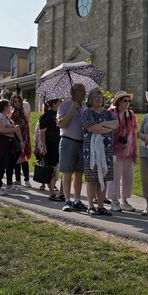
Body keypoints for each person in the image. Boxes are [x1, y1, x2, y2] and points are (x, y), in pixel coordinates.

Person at [80, 87, 118, 216]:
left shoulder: (108, 113)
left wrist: (101, 127)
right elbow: (92, 128)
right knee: (92, 178)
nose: (98, 99)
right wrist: (107, 126)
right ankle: (91, 206)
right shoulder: (86, 113)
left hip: (106, 150)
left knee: (105, 177)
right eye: (95, 97)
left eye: (100, 97)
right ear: (90, 100)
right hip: (90, 150)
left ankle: (101, 206)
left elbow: (116, 124)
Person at [58, 83, 89, 212]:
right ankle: (67, 200)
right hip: (68, 141)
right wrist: (71, 108)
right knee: (67, 172)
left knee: (79, 173)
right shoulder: (64, 105)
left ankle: (77, 200)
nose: (83, 92)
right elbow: (61, 124)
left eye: (83, 90)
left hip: (82, 143)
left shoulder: (85, 108)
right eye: (80, 90)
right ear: (73, 92)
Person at [108, 91, 138, 213]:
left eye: (128, 101)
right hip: (114, 150)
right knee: (115, 177)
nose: (127, 103)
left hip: (128, 151)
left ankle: (124, 200)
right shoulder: (110, 113)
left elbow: (134, 133)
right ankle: (114, 201)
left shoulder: (131, 114)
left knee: (128, 177)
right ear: (118, 102)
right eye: (124, 101)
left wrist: (135, 150)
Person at [0, 99, 22, 196]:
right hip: (1, 142)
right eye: (9, 106)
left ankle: (2, 186)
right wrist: (13, 129)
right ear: (4, 107)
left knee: (6, 164)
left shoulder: (6, 117)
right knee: (1, 165)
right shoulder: (0, 116)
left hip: (7, 142)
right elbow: (2, 129)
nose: (10, 108)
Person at [37, 98, 62, 200]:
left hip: (60, 144)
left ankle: (58, 192)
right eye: (60, 101)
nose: (61, 103)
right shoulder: (46, 116)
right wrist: (44, 146)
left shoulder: (61, 114)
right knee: (50, 168)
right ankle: (51, 193)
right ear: (54, 103)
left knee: (57, 168)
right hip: (50, 144)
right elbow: (42, 132)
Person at [10, 93, 32, 188]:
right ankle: (18, 180)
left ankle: (26, 179)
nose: (17, 103)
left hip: (25, 139)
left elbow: (27, 126)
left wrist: (26, 140)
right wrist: (20, 140)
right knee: (17, 161)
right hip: (16, 140)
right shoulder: (12, 113)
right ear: (12, 102)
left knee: (24, 160)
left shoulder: (24, 112)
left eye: (19, 101)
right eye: (15, 101)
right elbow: (13, 127)